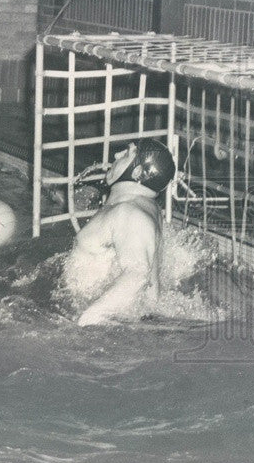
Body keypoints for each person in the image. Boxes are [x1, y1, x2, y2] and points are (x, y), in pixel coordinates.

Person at [66, 139, 176, 326]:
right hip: (131, 319)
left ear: (138, 172)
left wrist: (90, 317)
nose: (116, 155)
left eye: (126, 154)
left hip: (107, 329)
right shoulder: (148, 207)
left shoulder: (129, 213)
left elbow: (138, 274)